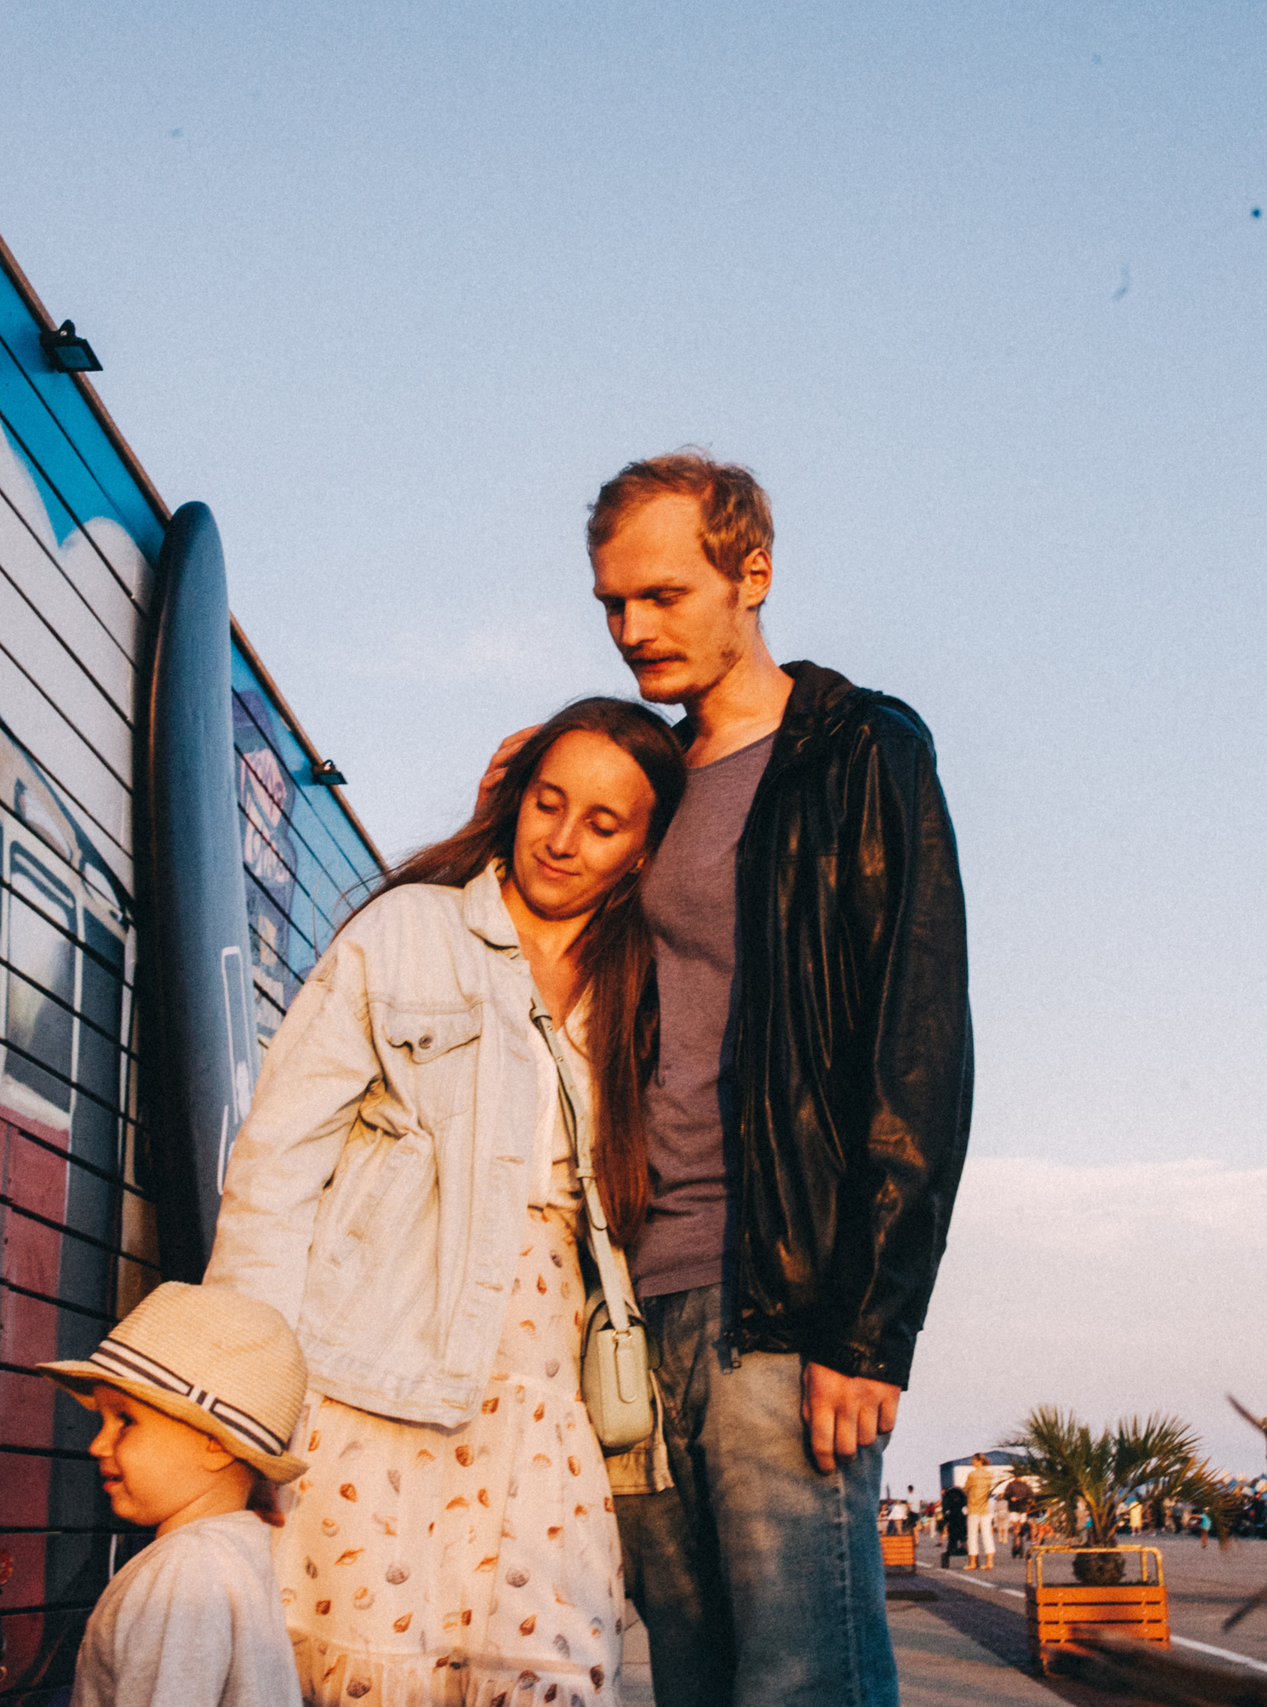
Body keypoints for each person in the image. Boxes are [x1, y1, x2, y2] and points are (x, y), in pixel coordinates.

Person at [490, 451, 971, 1706]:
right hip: (628, 1304)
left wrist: (869, 1327)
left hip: (781, 1299)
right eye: (611, 603)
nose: (630, 628)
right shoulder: (637, 782)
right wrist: (506, 828)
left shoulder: (855, 751)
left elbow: (915, 1041)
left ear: (751, 574)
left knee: (803, 1683)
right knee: (692, 1684)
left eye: (661, 594)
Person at [205, 698, 688, 1706]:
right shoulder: (408, 933)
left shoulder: (639, 990)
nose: (559, 840)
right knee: (368, 1681)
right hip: (373, 1384)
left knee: (551, 1673)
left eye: (601, 825)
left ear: (643, 853)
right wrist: (245, 1407)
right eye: (547, 803)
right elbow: (275, 1168)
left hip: (545, 1405)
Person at [38, 1282, 307, 1707]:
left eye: (125, 1421)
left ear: (215, 1444)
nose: (97, 1444)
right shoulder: (239, 1553)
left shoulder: (183, 1573)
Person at [963, 1453, 999, 1569]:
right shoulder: (989, 1475)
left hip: (973, 1508)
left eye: (973, 1460)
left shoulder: (972, 1475)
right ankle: (989, 1562)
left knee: (972, 1535)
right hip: (985, 1508)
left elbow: (966, 1489)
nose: (971, 1462)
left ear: (978, 1461)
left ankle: (973, 1562)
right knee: (987, 1534)